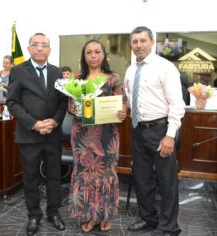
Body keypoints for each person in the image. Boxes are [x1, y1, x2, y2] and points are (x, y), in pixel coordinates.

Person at [123, 26, 185, 236]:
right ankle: (148, 218)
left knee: (166, 181)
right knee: (142, 178)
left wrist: (170, 135)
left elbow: (177, 105)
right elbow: (130, 98)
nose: (138, 45)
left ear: (152, 42)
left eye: (142, 40)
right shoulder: (131, 70)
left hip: (161, 131)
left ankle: (169, 227)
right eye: (134, 41)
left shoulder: (165, 67)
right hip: (138, 130)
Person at [7, 33, 68, 236]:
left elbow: (62, 102)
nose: (40, 48)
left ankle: (54, 212)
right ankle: (33, 215)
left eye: (44, 45)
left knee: (54, 176)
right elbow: (13, 102)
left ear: (49, 50)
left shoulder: (56, 71)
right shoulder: (18, 71)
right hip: (29, 135)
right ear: (29, 48)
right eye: (36, 45)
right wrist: (33, 124)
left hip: (52, 133)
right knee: (30, 178)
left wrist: (55, 120)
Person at [67, 39, 127, 233]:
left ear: (103, 55)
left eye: (97, 52)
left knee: (106, 174)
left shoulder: (113, 79)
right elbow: (70, 106)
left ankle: (105, 215)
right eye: (89, 52)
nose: (93, 55)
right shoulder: (77, 80)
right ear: (84, 57)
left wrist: (123, 112)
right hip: (82, 136)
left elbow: (123, 103)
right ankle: (89, 216)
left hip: (106, 135)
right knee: (85, 175)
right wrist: (74, 107)